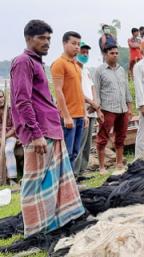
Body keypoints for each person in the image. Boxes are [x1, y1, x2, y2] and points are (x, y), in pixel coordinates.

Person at [10, 20, 84, 237]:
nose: (47, 42)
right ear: (28, 38)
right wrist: (36, 134)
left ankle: (53, 222)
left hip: (51, 129)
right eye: (42, 38)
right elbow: (22, 101)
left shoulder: (36, 63)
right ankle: (35, 229)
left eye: (49, 38)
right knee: (35, 182)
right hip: (39, 134)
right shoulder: (23, 62)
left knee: (54, 181)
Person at [51, 31, 87, 170]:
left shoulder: (76, 66)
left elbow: (79, 91)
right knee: (66, 153)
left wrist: (84, 114)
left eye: (78, 44)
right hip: (68, 117)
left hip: (79, 115)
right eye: (73, 43)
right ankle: (63, 187)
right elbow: (58, 91)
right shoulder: (59, 64)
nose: (77, 47)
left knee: (75, 152)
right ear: (64, 43)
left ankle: (71, 185)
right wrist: (66, 116)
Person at [93, 44, 133, 173]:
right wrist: (98, 110)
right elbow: (96, 92)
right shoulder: (99, 71)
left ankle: (119, 163)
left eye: (116, 53)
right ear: (105, 54)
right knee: (103, 137)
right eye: (112, 53)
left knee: (121, 136)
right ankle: (101, 166)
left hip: (122, 109)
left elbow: (126, 90)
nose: (115, 55)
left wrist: (130, 107)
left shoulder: (121, 70)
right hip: (107, 109)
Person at [73, 42, 103, 174]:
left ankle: (82, 170)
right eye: (82, 52)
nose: (85, 55)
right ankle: (75, 172)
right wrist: (91, 102)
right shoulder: (74, 69)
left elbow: (92, 87)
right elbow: (77, 91)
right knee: (79, 142)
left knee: (87, 144)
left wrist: (96, 102)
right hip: (81, 110)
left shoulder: (86, 70)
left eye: (87, 53)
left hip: (91, 110)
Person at [0, 90, 18, 187]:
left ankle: (12, 178)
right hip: (0, 138)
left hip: (10, 137)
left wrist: (4, 137)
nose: (0, 100)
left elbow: (15, 128)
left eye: (1, 97)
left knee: (8, 150)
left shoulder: (11, 110)